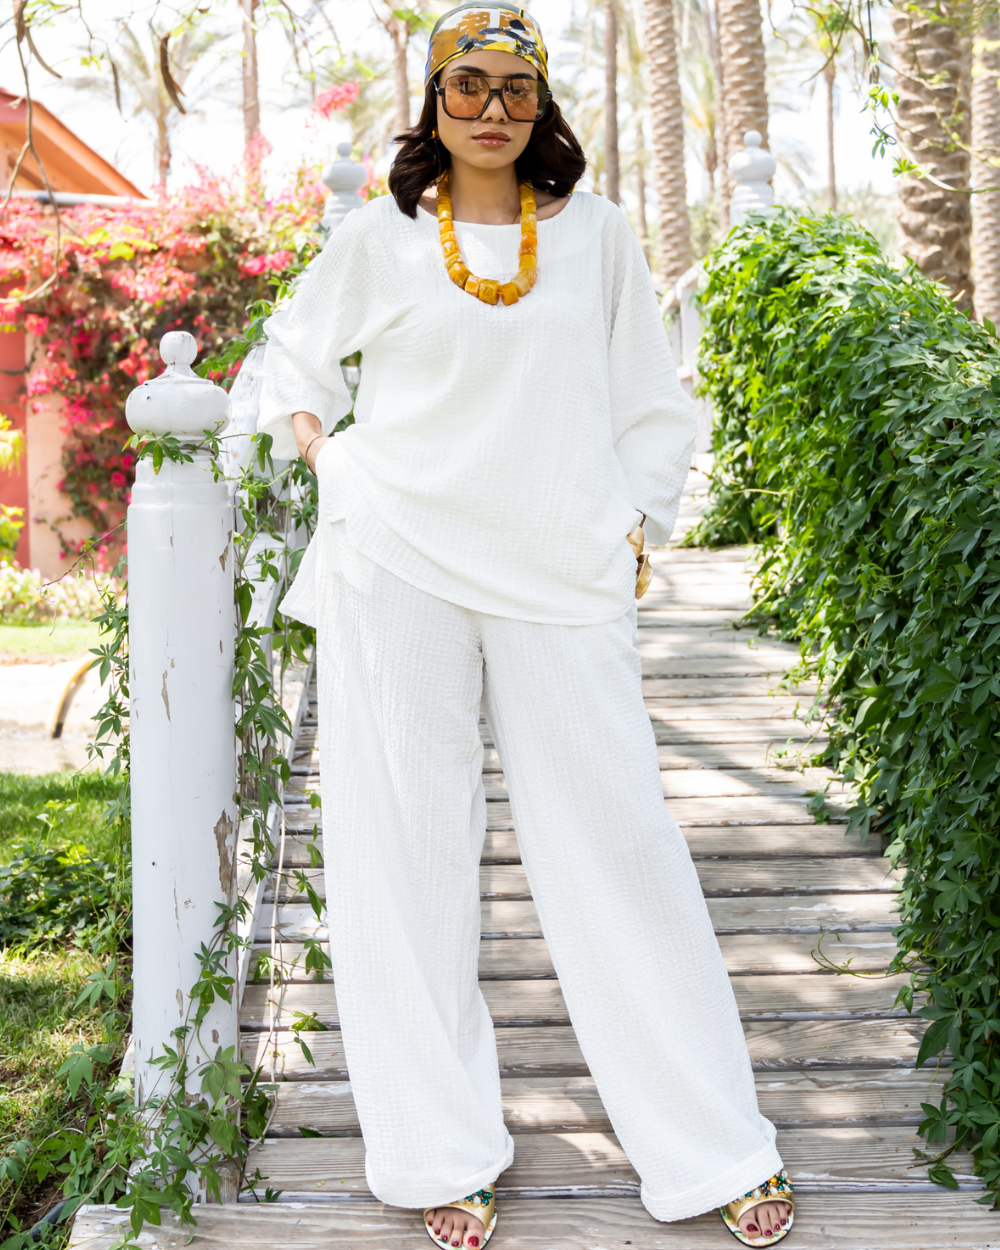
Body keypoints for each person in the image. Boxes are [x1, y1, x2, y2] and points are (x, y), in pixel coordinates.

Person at [257, 4, 794, 1246]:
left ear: (542, 106)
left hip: (562, 564)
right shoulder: (381, 238)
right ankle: (437, 1148)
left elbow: (650, 400)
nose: (491, 109)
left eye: (515, 88)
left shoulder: (596, 235)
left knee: (620, 842)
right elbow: (293, 356)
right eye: (468, 86)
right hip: (401, 560)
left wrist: (632, 524)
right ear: (432, 99)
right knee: (410, 852)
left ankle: (712, 1144)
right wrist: (327, 460)